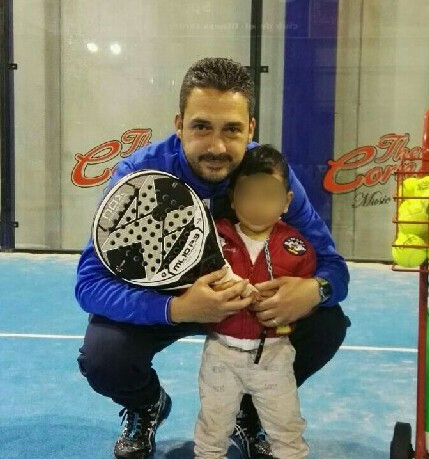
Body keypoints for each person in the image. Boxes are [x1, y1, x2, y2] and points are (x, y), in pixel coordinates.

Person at [76, 57, 350, 459]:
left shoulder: (269, 176)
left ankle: (248, 411)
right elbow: (89, 284)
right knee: (105, 356)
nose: (217, 146)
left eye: (232, 129)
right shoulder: (138, 174)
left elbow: (333, 268)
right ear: (179, 124)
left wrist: (315, 289)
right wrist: (177, 308)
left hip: (247, 307)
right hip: (170, 301)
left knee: (326, 323)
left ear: (250, 129)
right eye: (201, 127)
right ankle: (146, 404)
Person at [195, 145, 315, 459]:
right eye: (248, 195)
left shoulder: (297, 248)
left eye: (269, 195)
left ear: (287, 201)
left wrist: (288, 307)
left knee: (286, 428)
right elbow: (197, 283)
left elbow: (304, 302)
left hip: (274, 355)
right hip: (221, 352)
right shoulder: (214, 240)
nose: (258, 205)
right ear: (233, 198)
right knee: (212, 426)